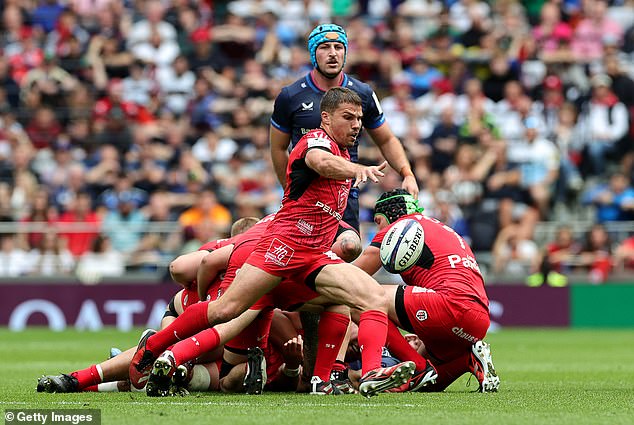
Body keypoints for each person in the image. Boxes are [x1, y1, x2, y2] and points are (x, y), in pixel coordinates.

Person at [130, 87, 431, 398]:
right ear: (325, 118)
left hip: (315, 255)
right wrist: (357, 169)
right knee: (225, 310)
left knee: (370, 297)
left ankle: (369, 373)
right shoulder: (315, 141)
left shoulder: (341, 151)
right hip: (284, 248)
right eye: (348, 117)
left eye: (359, 119)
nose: (356, 125)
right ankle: (152, 348)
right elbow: (320, 163)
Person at [269, 23, 418, 233]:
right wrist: (290, 190)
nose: (332, 54)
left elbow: (386, 139)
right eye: (324, 47)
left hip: (344, 194)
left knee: (348, 249)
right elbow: (277, 148)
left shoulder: (363, 93)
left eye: (338, 47)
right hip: (305, 196)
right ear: (313, 53)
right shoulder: (290, 96)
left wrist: (407, 173)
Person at [352, 189, 500, 393]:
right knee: (423, 385)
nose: (379, 229)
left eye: (378, 221)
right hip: (478, 320)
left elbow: (351, 277)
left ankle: (384, 369)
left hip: (449, 305)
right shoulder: (439, 227)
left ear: (390, 214)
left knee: (360, 298)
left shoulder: (402, 227)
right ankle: (469, 358)